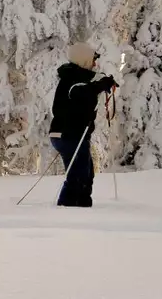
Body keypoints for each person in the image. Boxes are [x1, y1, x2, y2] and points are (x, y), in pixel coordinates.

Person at [49, 42, 116, 208]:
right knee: (78, 174)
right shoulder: (72, 77)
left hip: (71, 134)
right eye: (93, 60)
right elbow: (81, 92)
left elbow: (87, 90)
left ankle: (83, 207)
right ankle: (68, 207)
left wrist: (103, 83)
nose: (95, 63)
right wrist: (100, 86)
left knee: (86, 173)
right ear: (83, 59)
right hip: (68, 134)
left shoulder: (78, 76)